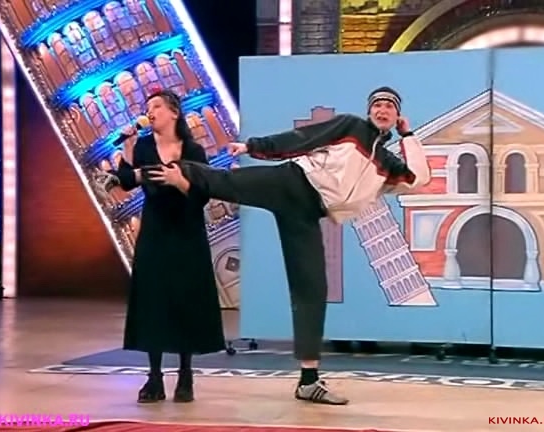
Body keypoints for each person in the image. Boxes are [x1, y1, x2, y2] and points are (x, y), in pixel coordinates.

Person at [174, 87, 430, 405]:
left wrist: (408, 135)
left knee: (312, 289)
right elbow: (302, 138)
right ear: (369, 111)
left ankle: (308, 382)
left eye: (389, 107)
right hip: (292, 183)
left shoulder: (387, 164)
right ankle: (161, 173)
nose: (382, 110)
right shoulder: (351, 126)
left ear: (397, 116)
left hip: (308, 214)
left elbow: (419, 178)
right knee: (225, 182)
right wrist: (253, 146)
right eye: (377, 104)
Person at [115, 89, 225, 404]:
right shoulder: (144, 146)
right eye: (147, 107)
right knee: (154, 300)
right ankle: (154, 377)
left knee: (184, 300)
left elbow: (204, 194)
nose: (150, 112)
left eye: (156, 106)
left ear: (174, 112)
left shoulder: (194, 150)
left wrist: (181, 182)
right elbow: (126, 180)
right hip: (155, 232)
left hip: (187, 232)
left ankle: (186, 374)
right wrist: (127, 144)